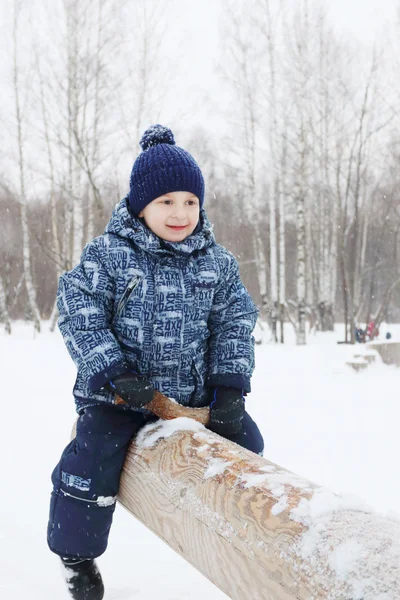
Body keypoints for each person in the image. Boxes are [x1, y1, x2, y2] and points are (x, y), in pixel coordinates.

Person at [47, 124, 264, 600]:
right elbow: (78, 308)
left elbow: (234, 322)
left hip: (191, 398)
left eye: (190, 201)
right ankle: (76, 555)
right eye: (166, 201)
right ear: (140, 204)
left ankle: (248, 537)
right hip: (119, 394)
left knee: (248, 440)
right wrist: (114, 373)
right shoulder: (110, 254)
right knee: (94, 457)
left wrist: (229, 388)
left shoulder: (217, 262)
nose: (180, 212)